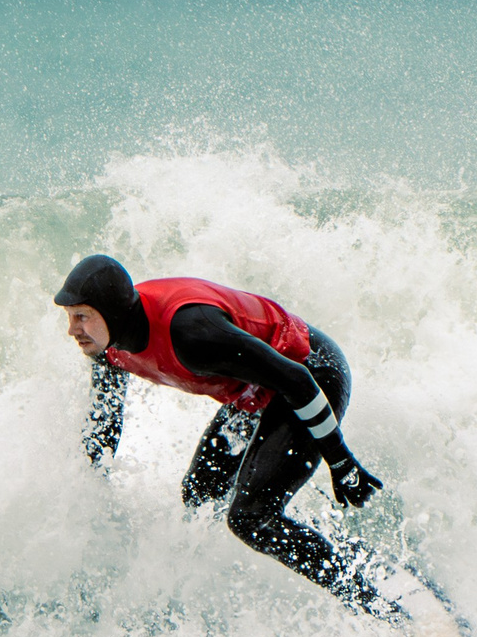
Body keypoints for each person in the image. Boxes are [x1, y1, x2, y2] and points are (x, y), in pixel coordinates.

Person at [53, 253, 390, 613]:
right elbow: (104, 427)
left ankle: (370, 604)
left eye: (82, 316)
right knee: (200, 494)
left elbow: (298, 382)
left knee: (250, 518)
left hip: (310, 371)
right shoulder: (106, 348)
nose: (72, 330)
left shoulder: (191, 333)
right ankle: (315, 540)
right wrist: (85, 494)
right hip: (252, 388)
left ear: (112, 311)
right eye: (70, 317)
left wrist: (340, 461)